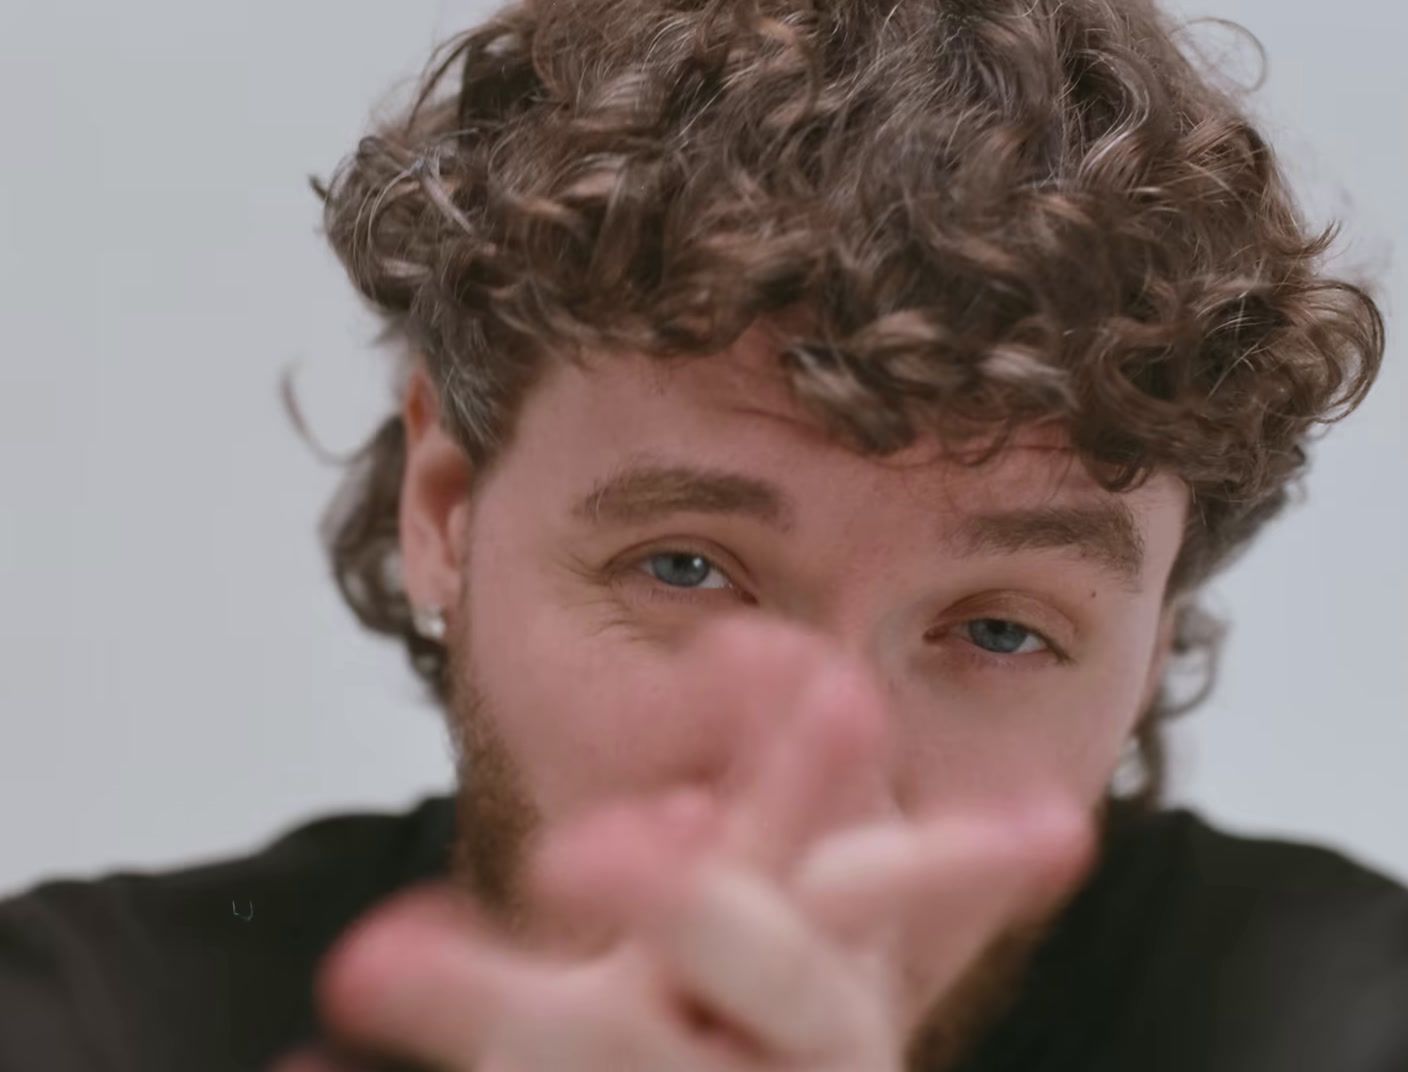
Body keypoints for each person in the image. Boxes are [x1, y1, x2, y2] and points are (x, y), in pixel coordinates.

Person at [2, 0, 1402, 1069]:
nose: (818, 791)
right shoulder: (83, 1022)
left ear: (1150, 648)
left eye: (998, 629)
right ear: (446, 506)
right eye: (685, 567)